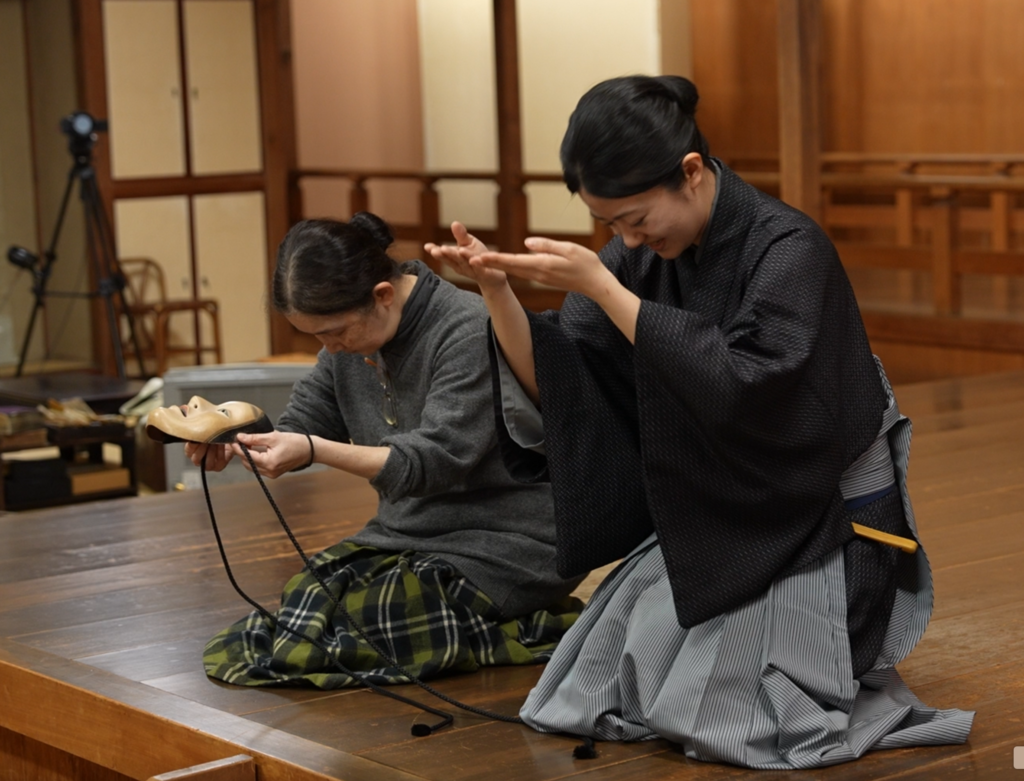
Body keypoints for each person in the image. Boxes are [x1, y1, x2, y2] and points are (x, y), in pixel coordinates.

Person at [426, 76, 973, 769]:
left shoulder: (789, 246)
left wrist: (603, 287)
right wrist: (497, 294)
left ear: (690, 172)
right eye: (611, 226)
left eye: (635, 218)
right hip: (723, 508)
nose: (628, 239)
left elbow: (750, 392)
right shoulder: (635, 257)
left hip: (814, 518)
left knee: (725, 721)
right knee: (582, 692)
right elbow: (569, 377)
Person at [189, 212, 583, 689]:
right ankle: (489, 627)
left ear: (382, 295)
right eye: (318, 337)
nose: (331, 348)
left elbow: (432, 462)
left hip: (510, 542)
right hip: (408, 535)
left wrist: (313, 450)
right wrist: (235, 440)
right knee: (309, 599)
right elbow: (303, 422)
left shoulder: (465, 328)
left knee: (367, 622)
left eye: (335, 332)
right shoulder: (350, 339)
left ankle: (537, 623)